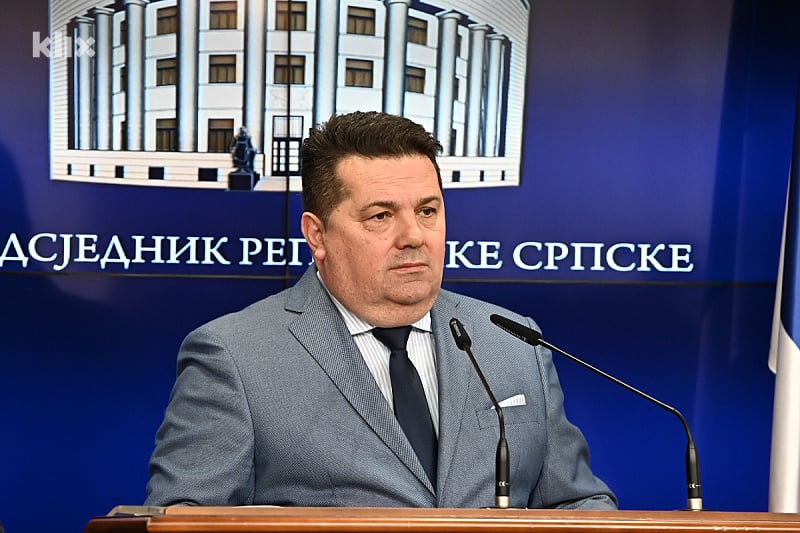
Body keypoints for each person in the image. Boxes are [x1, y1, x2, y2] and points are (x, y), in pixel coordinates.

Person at [145, 111, 617, 509]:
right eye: (381, 216)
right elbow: (183, 518)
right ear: (318, 235)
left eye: (428, 211)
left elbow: (575, 502)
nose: (414, 235)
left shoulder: (512, 341)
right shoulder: (236, 356)